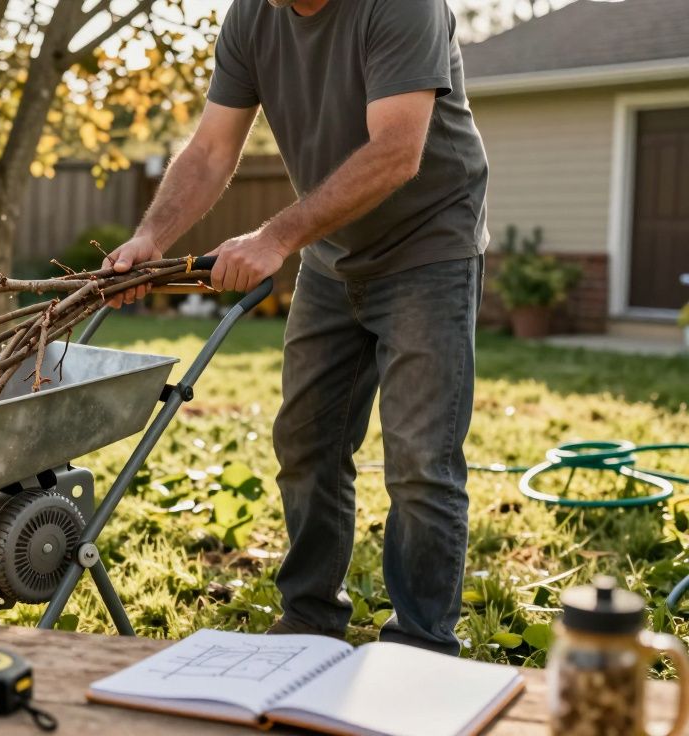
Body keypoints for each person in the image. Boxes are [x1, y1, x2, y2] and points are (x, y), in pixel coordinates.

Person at [103, 0, 488, 655]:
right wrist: (150, 236)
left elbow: (397, 150)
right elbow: (210, 149)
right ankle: (309, 619)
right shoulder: (253, 17)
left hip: (430, 246)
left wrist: (275, 236)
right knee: (306, 444)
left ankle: (423, 643)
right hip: (333, 253)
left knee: (421, 461)